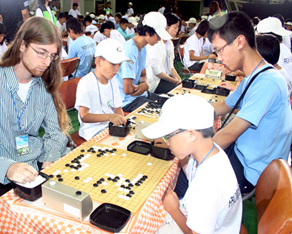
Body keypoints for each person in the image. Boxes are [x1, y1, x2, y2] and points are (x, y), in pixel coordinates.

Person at [0, 17, 72, 197]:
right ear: (22, 45)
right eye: (41, 52)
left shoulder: (42, 85)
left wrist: (49, 162)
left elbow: (56, 130)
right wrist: (8, 167)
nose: (47, 62)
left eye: (52, 56)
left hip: (36, 162)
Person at [208, 12, 292, 194]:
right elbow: (224, 106)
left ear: (239, 42)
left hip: (252, 170)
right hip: (243, 154)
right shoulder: (255, 76)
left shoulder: (267, 82)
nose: (219, 58)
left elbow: (229, 133)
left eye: (220, 50)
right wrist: (189, 111)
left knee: (186, 179)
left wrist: (195, 154)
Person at [142, 95, 242, 234]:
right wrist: (176, 148)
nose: (168, 142)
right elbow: (191, 172)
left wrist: (174, 209)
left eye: (168, 136)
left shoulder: (208, 185)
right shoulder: (212, 151)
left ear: (191, 134)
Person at [75, 39, 131, 140]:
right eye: (113, 64)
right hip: (93, 130)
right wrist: (110, 117)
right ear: (98, 61)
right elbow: (84, 116)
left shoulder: (112, 81)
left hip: (110, 126)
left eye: (120, 64)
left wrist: (121, 121)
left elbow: (118, 109)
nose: (117, 69)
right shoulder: (86, 82)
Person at [115, 12, 171, 112]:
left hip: (138, 95)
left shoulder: (143, 47)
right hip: (126, 100)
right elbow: (127, 90)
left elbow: (143, 74)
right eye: (158, 35)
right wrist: (143, 86)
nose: (159, 39)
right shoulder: (129, 51)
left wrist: (145, 84)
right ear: (147, 32)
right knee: (162, 111)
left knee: (169, 102)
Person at [146, 13, 182, 94]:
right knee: (176, 91)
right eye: (175, 27)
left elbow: (170, 67)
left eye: (178, 28)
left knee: (181, 87)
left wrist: (179, 79)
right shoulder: (155, 42)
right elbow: (156, 71)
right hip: (156, 81)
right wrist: (173, 80)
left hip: (166, 78)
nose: (176, 31)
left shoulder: (170, 43)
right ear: (167, 26)